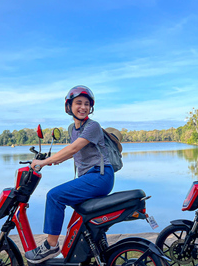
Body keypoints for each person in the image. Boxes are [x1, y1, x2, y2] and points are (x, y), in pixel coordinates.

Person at [25, 85, 120, 263]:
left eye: (86, 104)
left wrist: (45, 162)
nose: (83, 107)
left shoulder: (93, 126)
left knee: (54, 196)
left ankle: (51, 246)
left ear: (91, 107)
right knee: (80, 210)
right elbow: (74, 153)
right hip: (89, 177)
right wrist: (51, 159)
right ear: (69, 106)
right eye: (78, 103)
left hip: (100, 176)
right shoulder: (72, 129)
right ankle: (99, 245)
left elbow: (73, 148)